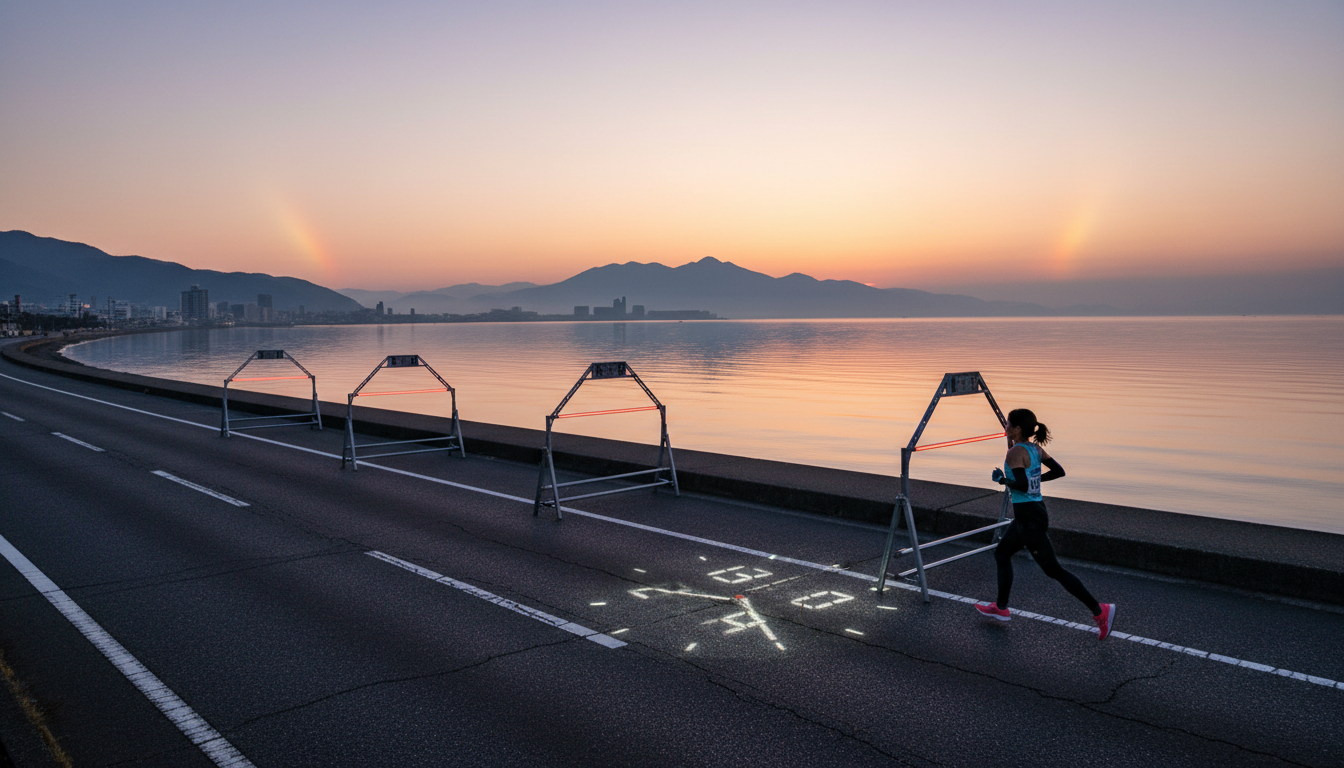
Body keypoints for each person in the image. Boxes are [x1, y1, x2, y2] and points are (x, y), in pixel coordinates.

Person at [975, 408, 1116, 640]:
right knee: (1002, 553)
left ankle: (1100, 612)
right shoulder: (1035, 449)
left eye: (1008, 423)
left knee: (1054, 570)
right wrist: (1035, 479)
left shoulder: (1014, 453)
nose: (1006, 427)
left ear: (1018, 429)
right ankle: (1000, 608)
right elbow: (1058, 472)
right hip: (1030, 514)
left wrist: (1001, 479)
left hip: (1030, 519)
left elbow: (1019, 484)